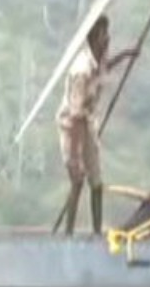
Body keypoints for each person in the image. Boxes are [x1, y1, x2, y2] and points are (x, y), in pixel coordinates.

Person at [57, 14, 137, 236]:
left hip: (86, 123)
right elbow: (75, 113)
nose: (108, 40)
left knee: (96, 181)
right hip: (71, 127)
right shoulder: (81, 71)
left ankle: (96, 232)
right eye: (104, 36)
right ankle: (68, 234)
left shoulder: (98, 59)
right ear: (94, 39)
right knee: (77, 180)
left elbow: (106, 67)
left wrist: (126, 55)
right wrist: (77, 150)